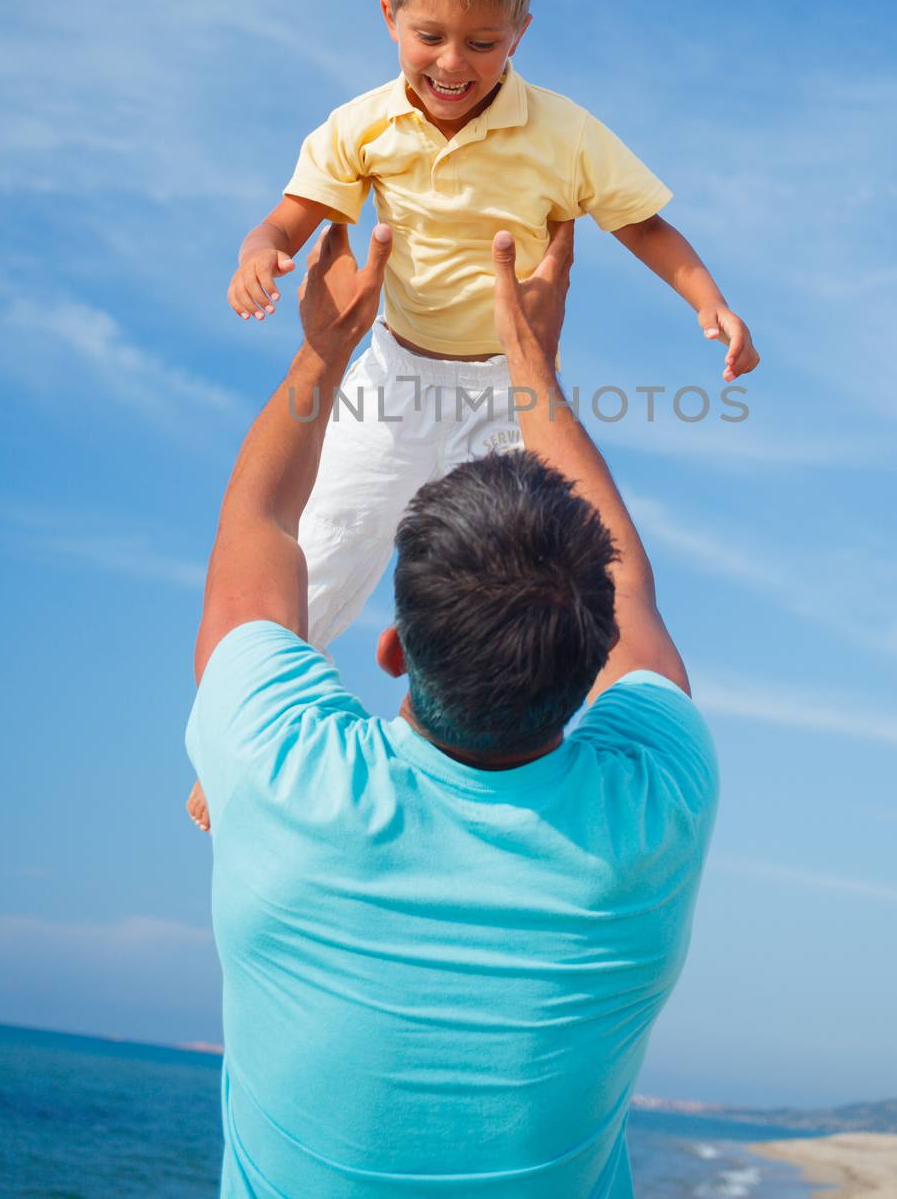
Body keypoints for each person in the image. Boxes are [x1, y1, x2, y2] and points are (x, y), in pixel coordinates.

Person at [187, 0, 755, 831]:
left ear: (521, 34)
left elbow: (642, 222)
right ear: (390, 19)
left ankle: (522, 763)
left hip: (505, 388)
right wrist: (262, 250)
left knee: (533, 582)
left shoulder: (562, 133)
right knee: (325, 548)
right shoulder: (361, 125)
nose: (455, 64)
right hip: (395, 377)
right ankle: (230, 747)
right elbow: (296, 211)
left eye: (484, 44)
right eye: (431, 37)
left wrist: (712, 302)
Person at [186, 217, 718, 1198]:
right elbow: (629, 591)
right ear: (591, 659)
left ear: (388, 647)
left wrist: (328, 345)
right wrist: (531, 365)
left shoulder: (287, 776)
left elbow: (256, 526)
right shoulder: (654, 810)